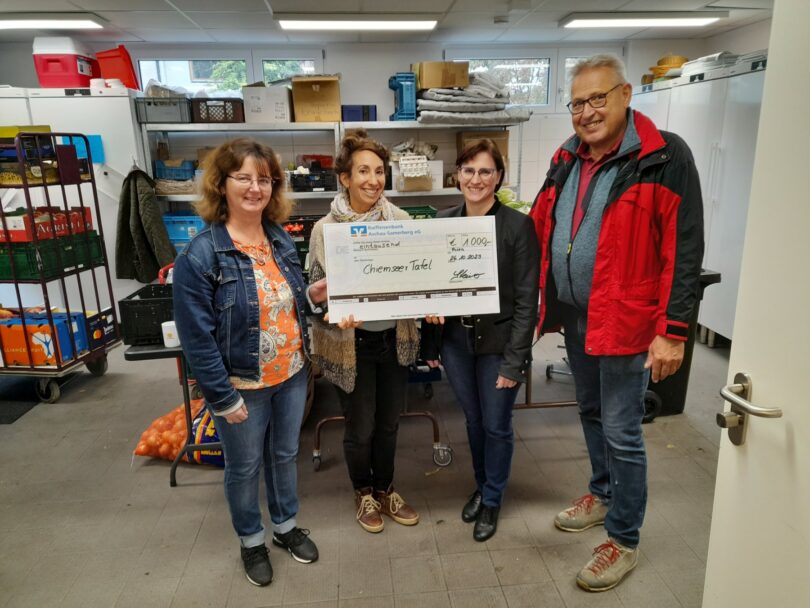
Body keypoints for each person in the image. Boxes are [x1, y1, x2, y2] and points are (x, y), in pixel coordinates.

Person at [529, 54, 704, 591]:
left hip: (629, 321)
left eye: (597, 98)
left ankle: (623, 539)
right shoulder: (567, 156)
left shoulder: (664, 156)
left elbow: (684, 249)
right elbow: (540, 221)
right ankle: (602, 494)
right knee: (589, 411)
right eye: (577, 103)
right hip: (578, 316)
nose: (586, 112)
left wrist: (673, 331)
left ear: (626, 95)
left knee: (623, 431)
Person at [173, 138, 328, 587]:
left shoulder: (279, 238)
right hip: (241, 384)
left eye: (264, 179)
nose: (255, 188)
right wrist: (222, 397)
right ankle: (251, 540)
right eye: (243, 177)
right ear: (221, 184)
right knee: (244, 468)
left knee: (284, 455)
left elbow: (286, 302)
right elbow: (196, 339)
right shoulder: (201, 255)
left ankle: (285, 526)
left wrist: (312, 296)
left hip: (291, 374)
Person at [422, 139, 540, 542]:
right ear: (457, 176)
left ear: (498, 177)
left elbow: (527, 301)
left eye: (485, 171)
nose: (476, 179)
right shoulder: (443, 222)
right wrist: (432, 332)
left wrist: (515, 362)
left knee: (496, 424)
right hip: (456, 343)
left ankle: (492, 499)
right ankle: (482, 485)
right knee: (473, 421)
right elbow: (430, 284)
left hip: (499, 345)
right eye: (469, 170)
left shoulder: (517, 227)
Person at [308, 130, 421, 533]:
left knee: (389, 423)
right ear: (345, 178)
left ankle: (385, 488)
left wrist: (431, 300)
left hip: (394, 339)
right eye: (363, 171)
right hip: (351, 344)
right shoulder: (325, 231)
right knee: (361, 427)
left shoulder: (401, 223)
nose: (373, 180)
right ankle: (363, 492)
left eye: (379, 171)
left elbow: (416, 280)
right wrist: (329, 309)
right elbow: (316, 294)